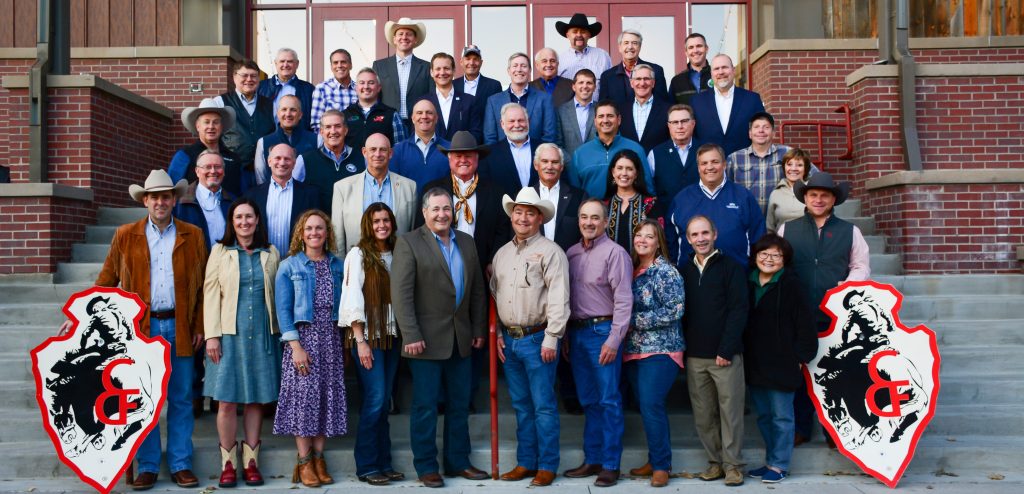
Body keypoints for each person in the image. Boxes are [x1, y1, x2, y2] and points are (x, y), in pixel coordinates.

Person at [90, 169, 207, 490]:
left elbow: (204, 288)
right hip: (142, 328)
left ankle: (181, 463)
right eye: (154, 197)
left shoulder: (192, 235)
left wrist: (199, 325)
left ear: (175, 199)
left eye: (166, 196)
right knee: (144, 399)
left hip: (181, 325)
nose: (160, 202)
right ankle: (149, 465)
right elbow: (105, 282)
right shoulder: (125, 235)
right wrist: (80, 316)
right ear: (145, 200)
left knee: (182, 398)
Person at [391, 188, 489, 488]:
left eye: (446, 208)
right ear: (424, 212)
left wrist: (477, 329)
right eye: (435, 209)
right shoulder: (408, 243)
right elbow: (401, 294)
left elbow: (475, 292)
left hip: (461, 339)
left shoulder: (467, 242)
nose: (442, 214)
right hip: (424, 341)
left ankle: (458, 461)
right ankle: (426, 466)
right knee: (425, 407)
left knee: (460, 404)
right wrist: (410, 334)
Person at [777, 172, 870, 446]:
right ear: (805, 198)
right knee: (800, 373)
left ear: (833, 200)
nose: (818, 200)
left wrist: (846, 289)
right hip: (798, 313)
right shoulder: (788, 229)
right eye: (813, 195)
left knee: (836, 373)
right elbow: (778, 265)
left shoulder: (850, 231)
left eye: (824, 195)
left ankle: (834, 430)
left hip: (836, 315)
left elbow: (860, 266)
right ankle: (801, 428)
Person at [490, 187, 570, 487]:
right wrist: (497, 332)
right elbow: (495, 297)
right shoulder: (502, 254)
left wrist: (553, 337)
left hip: (538, 339)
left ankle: (548, 465)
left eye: (530, 213)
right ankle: (526, 462)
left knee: (544, 406)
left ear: (539, 218)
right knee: (522, 406)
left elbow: (559, 298)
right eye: (518, 212)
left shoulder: (552, 252)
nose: (523, 217)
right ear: (512, 216)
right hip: (510, 341)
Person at [203, 197, 281, 488]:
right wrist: (211, 334)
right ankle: (227, 463)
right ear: (231, 222)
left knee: (255, 400)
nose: (244, 222)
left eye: (249, 217)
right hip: (228, 336)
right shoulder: (221, 252)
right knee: (226, 400)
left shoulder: (270, 252)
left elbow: (278, 295)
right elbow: (210, 294)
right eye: (238, 218)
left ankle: (251, 462)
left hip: (262, 335)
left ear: (257, 220)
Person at [273, 209, 347, 488]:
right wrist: (295, 346)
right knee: (304, 402)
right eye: (309, 229)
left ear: (327, 233)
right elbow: (282, 310)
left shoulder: (336, 265)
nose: (314, 233)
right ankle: (303, 462)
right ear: (300, 234)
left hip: (330, 338)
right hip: (303, 340)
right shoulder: (289, 266)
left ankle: (319, 459)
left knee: (325, 401)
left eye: (319, 228)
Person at [563, 199, 632, 488]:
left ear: (606, 222)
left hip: (603, 332)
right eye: (584, 217)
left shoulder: (615, 253)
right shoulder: (571, 253)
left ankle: (610, 464)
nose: (589, 222)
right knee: (589, 400)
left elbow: (624, 300)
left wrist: (614, 340)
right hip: (577, 334)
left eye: (595, 218)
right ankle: (592, 458)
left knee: (608, 400)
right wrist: (566, 335)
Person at [679, 215, 749, 487]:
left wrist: (727, 348)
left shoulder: (730, 267)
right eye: (695, 235)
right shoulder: (684, 269)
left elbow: (739, 310)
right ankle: (715, 462)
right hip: (695, 356)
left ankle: (733, 465)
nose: (701, 239)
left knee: (730, 413)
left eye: (705, 233)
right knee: (704, 414)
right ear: (688, 239)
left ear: (715, 234)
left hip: (725, 356)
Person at [339, 203, 405, 486]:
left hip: (392, 336)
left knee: (383, 400)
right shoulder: (358, 254)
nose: (382, 225)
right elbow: (352, 296)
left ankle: (384, 462)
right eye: (377, 220)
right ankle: (367, 465)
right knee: (375, 399)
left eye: (386, 220)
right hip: (368, 338)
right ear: (368, 224)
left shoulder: (399, 251)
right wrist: (361, 341)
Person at [743, 233, 818, 484]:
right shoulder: (747, 281)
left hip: (784, 361)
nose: (769, 259)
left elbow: (806, 323)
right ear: (755, 257)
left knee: (782, 416)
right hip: (755, 360)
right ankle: (770, 461)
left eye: (776, 255)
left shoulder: (792, 284)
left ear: (785, 261)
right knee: (764, 415)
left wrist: (801, 356)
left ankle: (780, 464)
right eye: (764, 254)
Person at [624, 219, 685, 488]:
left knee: (651, 404)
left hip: (661, 350)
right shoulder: (633, 269)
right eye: (639, 235)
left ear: (658, 241)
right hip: (634, 351)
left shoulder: (665, 272)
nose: (643, 240)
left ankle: (662, 465)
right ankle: (654, 459)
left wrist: (633, 320)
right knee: (647, 407)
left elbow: (675, 310)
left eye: (649, 237)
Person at [421, 131, 512, 273]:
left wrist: (493, 261)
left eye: (468, 155)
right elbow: (421, 230)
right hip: (440, 267)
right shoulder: (432, 190)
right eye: (458, 156)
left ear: (477, 158)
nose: (463, 160)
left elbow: (502, 231)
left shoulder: (495, 192)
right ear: (449, 159)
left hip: (481, 268)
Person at [665, 143, 765, 267]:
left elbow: (758, 237)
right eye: (704, 163)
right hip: (691, 279)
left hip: (736, 276)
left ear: (724, 164)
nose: (710, 167)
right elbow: (671, 240)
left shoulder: (743, 196)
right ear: (698, 167)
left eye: (715, 162)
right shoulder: (682, 199)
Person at [332, 133, 418, 255]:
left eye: (383, 150)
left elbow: (412, 231)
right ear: (364, 152)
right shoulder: (343, 188)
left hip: (398, 262)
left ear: (391, 153)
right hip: (358, 263)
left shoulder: (409, 187)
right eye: (373, 149)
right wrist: (341, 269)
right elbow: (337, 237)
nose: (378, 154)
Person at [245, 143, 322, 256]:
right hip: (263, 263)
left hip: (298, 263)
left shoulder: (310, 194)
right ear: (269, 161)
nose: (282, 162)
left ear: (294, 163)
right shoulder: (252, 196)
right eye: (278, 158)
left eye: (287, 159)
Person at [569, 100, 654, 199]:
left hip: (627, 212)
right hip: (592, 212)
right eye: (601, 116)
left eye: (610, 116)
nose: (605, 120)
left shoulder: (636, 149)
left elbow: (648, 189)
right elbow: (574, 194)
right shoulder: (580, 154)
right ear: (595, 121)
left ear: (619, 120)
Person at [691, 54, 766, 156]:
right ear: (711, 74)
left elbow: (762, 132)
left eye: (725, 67)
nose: (721, 72)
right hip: (710, 167)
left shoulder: (752, 99)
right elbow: (693, 137)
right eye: (716, 69)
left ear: (733, 70)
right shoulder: (697, 102)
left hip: (744, 165)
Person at [219, 59, 276, 191]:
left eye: (253, 76)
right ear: (234, 77)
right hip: (231, 171)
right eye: (244, 75)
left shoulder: (271, 105)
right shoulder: (220, 102)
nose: (249, 79)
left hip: (262, 172)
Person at [727, 112, 800, 213]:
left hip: (780, 219)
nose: (761, 131)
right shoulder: (734, 158)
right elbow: (725, 189)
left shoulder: (788, 153)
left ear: (773, 133)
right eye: (756, 127)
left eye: (766, 127)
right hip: (746, 220)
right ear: (750, 133)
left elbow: (811, 175)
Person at [169, 97, 243, 196]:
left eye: (216, 122)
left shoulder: (234, 159)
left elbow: (243, 192)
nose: (211, 126)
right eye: (206, 122)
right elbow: (172, 190)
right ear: (198, 126)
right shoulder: (184, 156)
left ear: (221, 126)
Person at [296, 110, 366, 213]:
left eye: (337, 126)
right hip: (318, 226)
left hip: (351, 226)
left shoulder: (361, 158)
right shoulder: (304, 160)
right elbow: (295, 194)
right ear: (321, 132)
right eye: (328, 127)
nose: (333, 131)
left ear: (345, 130)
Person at [484, 52, 557, 145]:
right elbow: (490, 138)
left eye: (523, 66)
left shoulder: (545, 99)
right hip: (503, 157)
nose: (519, 69)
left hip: (535, 157)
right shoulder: (493, 101)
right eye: (515, 66)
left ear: (530, 70)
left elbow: (549, 136)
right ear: (508, 71)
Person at [372, 18, 433, 128]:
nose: (404, 37)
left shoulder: (427, 67)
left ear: (415, 39)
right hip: (387, 124)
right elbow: (374, 98)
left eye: (408, 34)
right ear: (394, 39)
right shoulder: (379, 66)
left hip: (418, 125)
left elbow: (432, 98)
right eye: (400, 34)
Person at [174, 150, 236, 249]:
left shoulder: (234, 202)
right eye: (207, 167)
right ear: (197, 171)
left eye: (217, 167)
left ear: (223, 171)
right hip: (195, 262)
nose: (213, 171)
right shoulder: (180, 202)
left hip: (227, 262)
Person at [648, 104, 701, 218]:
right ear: (668, 126)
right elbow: (650, 189)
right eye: (675, 122)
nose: (680, 126)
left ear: (693, 123)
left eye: (684, 121)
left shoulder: (705, 150)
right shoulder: (655, 154)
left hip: (701, 217)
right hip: (667, 218)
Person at [388, 99, 453, 193]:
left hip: (440, 206)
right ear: (413, 118)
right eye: (419, 113)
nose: (424, 116)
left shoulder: (450, 149)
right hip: (409, 206)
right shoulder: (397, 151)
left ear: (436, 118)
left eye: (429, 113)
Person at [254, 95, 318, 185]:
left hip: (307, 197)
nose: (288, 114)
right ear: (278, 113)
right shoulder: (263, 142)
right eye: (284, 109)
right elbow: (261, 178)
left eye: (293, 110)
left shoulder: (316, 140)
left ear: (300, 115)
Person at [533, 143, 585, 252]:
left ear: (561, 167)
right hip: (532, 262)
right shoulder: (525, 196)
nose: (549, 166)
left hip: (569, 262)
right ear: (536, 165)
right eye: (545, 161)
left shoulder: (579, 196)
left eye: (555, 162)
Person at [421, 52, 482, 142]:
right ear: (431, 72)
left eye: (446, 68)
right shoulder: (423, 102)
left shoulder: (469, 101)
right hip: (432, 154)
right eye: (438, 69)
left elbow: (476, 133)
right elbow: (417, 134)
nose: (442, 72)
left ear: (454, 71)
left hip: (460, 154)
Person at [603, 150, 655, 254]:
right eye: (620, 168)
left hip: (642, 268)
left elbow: (658, 241)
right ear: (613, 172)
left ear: (636, 174)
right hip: (610, 267)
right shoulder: (603, 205)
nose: (624, 173)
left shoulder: (650, 204)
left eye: (629, 169)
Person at [599, 29, 668, 108]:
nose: (630, 47)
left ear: (640, 47)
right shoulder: (607, 76)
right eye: (626, 43)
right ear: (619, 47)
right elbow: (603, 107)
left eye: (634, 43)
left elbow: (662, 103)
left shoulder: (656, 71)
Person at [344, 68, 409, 150]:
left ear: (378, 88)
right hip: (352, 163)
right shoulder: (345, 115)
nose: (366, 86)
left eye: (371, 83)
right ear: (356, 88)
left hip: (383, 162)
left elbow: (400, 149)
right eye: (362, 83)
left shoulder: (392, 115)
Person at [257, 48, 316, 131]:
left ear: (297, 64)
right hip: (268, 139)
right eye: (282, 61)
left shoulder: (309, 89)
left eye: (290, 61)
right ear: (276, 63)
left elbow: (313, 120)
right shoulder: (260, 87)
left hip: (298, 141)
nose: (285, 65)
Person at [484, 103, 537, 194]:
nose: (517, 125)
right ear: (502, 124)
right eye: (511, 121)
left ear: (528, 121)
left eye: (521, 120)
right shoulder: (490, 155)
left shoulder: (544, 149)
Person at [618, 64, 671, 153]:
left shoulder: (668, 110)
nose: (642, 83)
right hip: (628, 164)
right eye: (638, 79)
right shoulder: (621, 110)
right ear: (632, 83)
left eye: (646, 79)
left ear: (653, 83)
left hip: (657, 164)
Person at [556, 13, 612, 97]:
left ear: (589, 35)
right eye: (574, 32)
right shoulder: (559, 60)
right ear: (568, 35)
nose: (579, 35)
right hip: (569, 109)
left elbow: (610, 84)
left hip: (597, 108)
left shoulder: (602, 56)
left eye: (583, 32)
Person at [556, 69, 597, 166]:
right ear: (574, 87)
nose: (585, 86)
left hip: (594, 167)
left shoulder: (601, 111)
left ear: (595, 87)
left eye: (589, 83)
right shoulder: (561, 111)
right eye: (581, 83)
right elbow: (557, 143)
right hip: (568, 167)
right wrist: (572, 163)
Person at [765, 148, 813, 232]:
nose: (793, 168)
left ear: (806, 169)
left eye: (799, 165)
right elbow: (770, 228)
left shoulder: (814, 192)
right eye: (789, 164)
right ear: (784, 167)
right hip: (782, 243)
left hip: (810, 243)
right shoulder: (776, 193)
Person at [311, 48, 357, 133]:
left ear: (350, 65)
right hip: (331, 142)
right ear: (331, 67)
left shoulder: (359, 89)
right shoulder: (322, 89)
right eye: (335, 63)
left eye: (343, 62)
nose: (339, 65)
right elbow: (316, 125)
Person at [669, 33, 712, 105]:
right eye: (691, 47)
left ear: (706, 49)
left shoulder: (717, 75)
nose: (695, 50)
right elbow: (671, 109)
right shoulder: (677, 81)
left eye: (699, 46)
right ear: (686, 52)